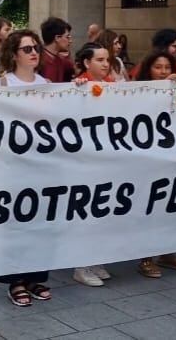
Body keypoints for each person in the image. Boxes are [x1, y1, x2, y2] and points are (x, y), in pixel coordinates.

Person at [0, 30, 53, 306]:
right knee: (16, 222)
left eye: (35, 47)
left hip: (41, 164)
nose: (34, 52)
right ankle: (15, 280)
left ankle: (36, 277)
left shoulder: (47, 84)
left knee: (40, 222)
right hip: (13, 165)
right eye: (27, 49)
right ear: (14, 54)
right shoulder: (2, 83)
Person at [133, 50, 176, 277]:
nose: (164, 72)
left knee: (171, 205)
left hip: (172, 159)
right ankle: (145, 256)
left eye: (167, 67)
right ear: (149, 69)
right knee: (150, 207)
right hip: (148, 161)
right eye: (158, 67)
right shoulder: (137, 92)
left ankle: (168, 251)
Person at [70, 44, 114, 287]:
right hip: (86, 162)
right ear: (87, 63)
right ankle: (82, 265)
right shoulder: (78, 87)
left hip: (107, 160)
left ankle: (97, 260)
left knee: (103, 212)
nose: (106, 64)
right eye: (100, 59)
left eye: (107, 59)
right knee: (87, 213)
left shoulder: (114, 87)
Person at [40, 17, 74, 83]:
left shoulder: (63, 61)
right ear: (57, 38)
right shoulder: (37, 60)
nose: (70, 41)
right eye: (67, 37)